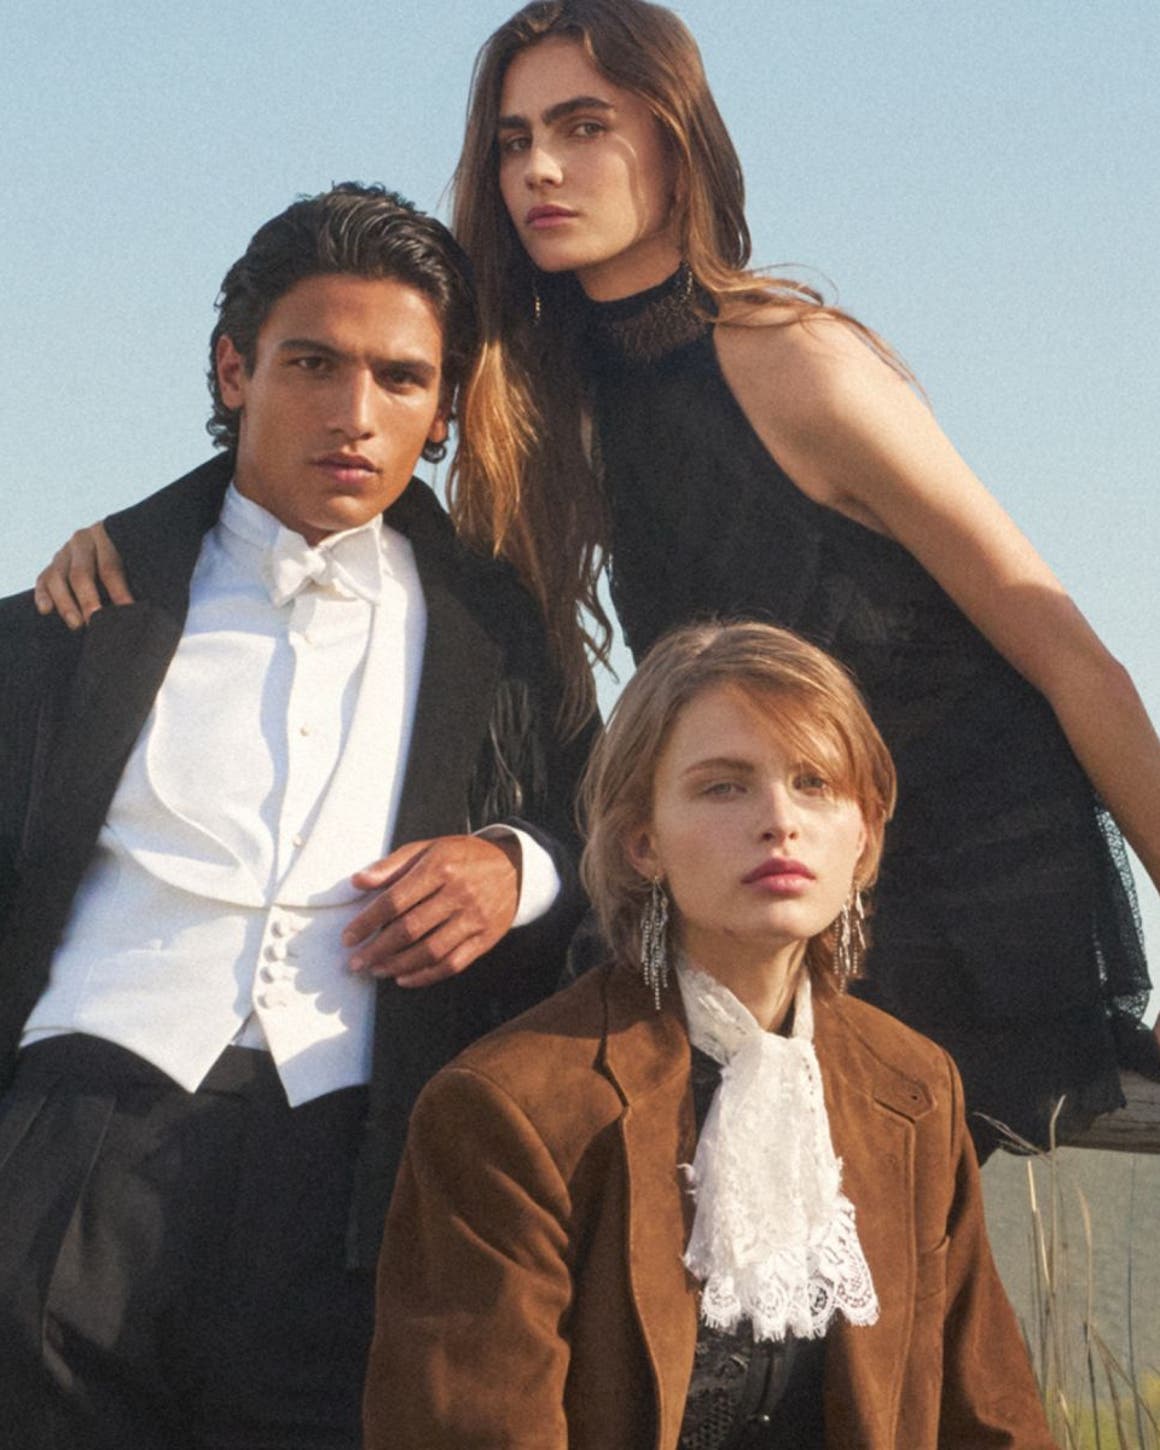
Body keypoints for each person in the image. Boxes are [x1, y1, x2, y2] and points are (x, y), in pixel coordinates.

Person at [36, 0, 1160, 1153]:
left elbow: (1065, 651)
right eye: (514, 140)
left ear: (677, 146)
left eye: (582, 127)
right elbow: (339, 440)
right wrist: (149, 536)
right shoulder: (541, 401)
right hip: (754, 872)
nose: (541, 169)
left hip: (951, 866)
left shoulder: (794, 358)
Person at [0, 184, 592, 1449]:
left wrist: (515, 867)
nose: (353, 413)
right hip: (69, 1147)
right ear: (233, 368)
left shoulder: (505, 634)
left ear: (442, 406)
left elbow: (612, 830)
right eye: (313, 363)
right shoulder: (75, 613)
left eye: (398, 377)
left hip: (353, 1176)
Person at [364, 620, 1057, 1450]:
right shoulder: (509, 1107)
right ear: (643, 841)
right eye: (723, 787)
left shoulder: (914, 1087)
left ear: (864, 837)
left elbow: (991, 1420)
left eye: (815, 784)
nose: (779, 822)